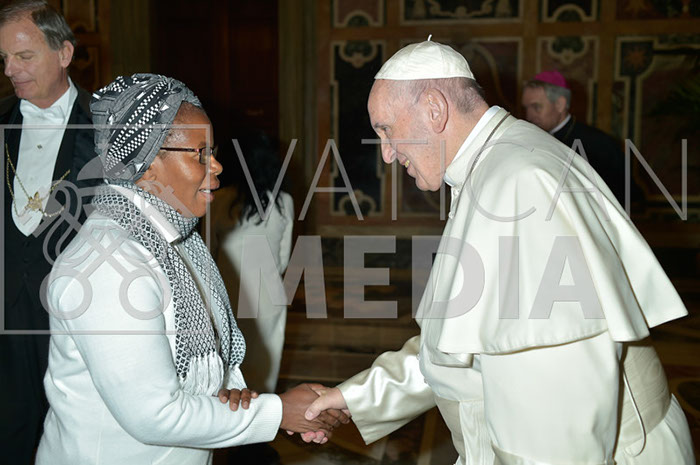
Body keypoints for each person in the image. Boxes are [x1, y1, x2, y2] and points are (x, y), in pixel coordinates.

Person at [304, 39, 695, 465]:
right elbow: (461, 348)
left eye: (386, 130)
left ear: (434, 109)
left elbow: (558, 421)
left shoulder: (520, 187)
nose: (386, 153)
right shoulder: (496, 164)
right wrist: (357, 398)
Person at [37, 73, 346, 465]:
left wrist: (232, 396)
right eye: (199, 153)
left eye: (213, 151)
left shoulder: (177, 239)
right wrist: (278, 412)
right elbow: (154, 415)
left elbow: (198, 374)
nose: (216, 165)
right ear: (147, 164)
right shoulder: (108, 266)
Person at [0, 1, 98, 462]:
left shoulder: (107, 126)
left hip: (78, 314)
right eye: (3, 58)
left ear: (64, 53)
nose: (10, 70)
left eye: (23, 56)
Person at [214, 131, 294, 395]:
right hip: (268, 295)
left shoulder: (218, 200)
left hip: (227, 296)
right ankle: (263, 416)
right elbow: (283, 258)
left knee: (229, 376)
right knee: (264, 374)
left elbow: (208, 255)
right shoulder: (284, 202)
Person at [521, 70, 634, 204]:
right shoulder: (531, 139)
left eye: (536, 107)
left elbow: (620, 197)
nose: (528, 116)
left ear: (560, 104)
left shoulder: (599, 145)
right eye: (526, 108)